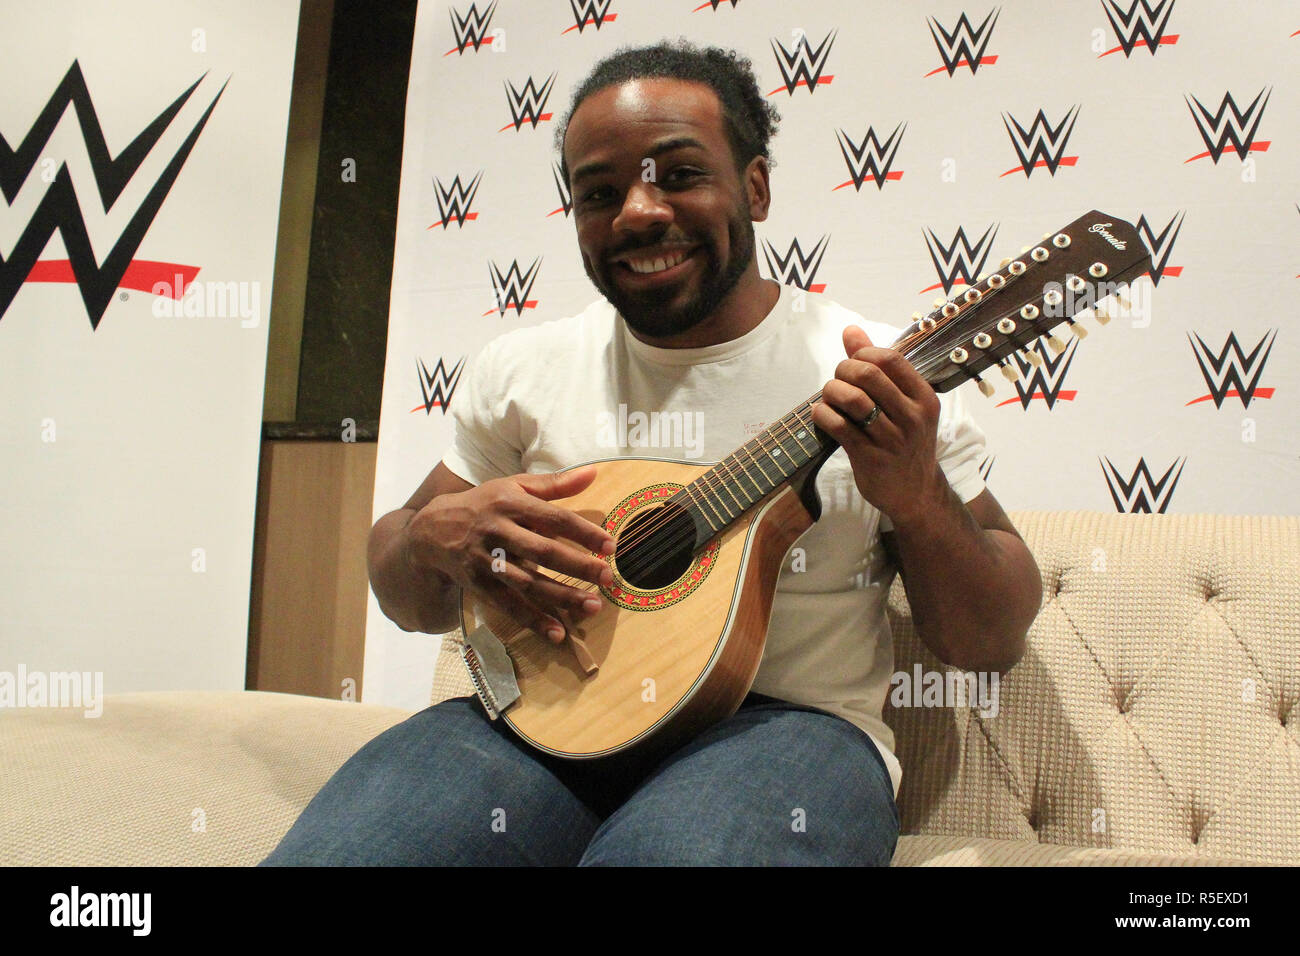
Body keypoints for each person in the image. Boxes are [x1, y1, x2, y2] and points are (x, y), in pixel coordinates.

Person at [262, 40, 1041, 867]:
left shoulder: (878, 375)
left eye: (678, 174)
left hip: (786, 735)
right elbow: (409, 599)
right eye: (599, 192)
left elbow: (986, 641)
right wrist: (428, 540)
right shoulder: (524, 371)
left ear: (756, 187)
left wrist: (918, 499)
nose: (637, 212)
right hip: (536, 723)